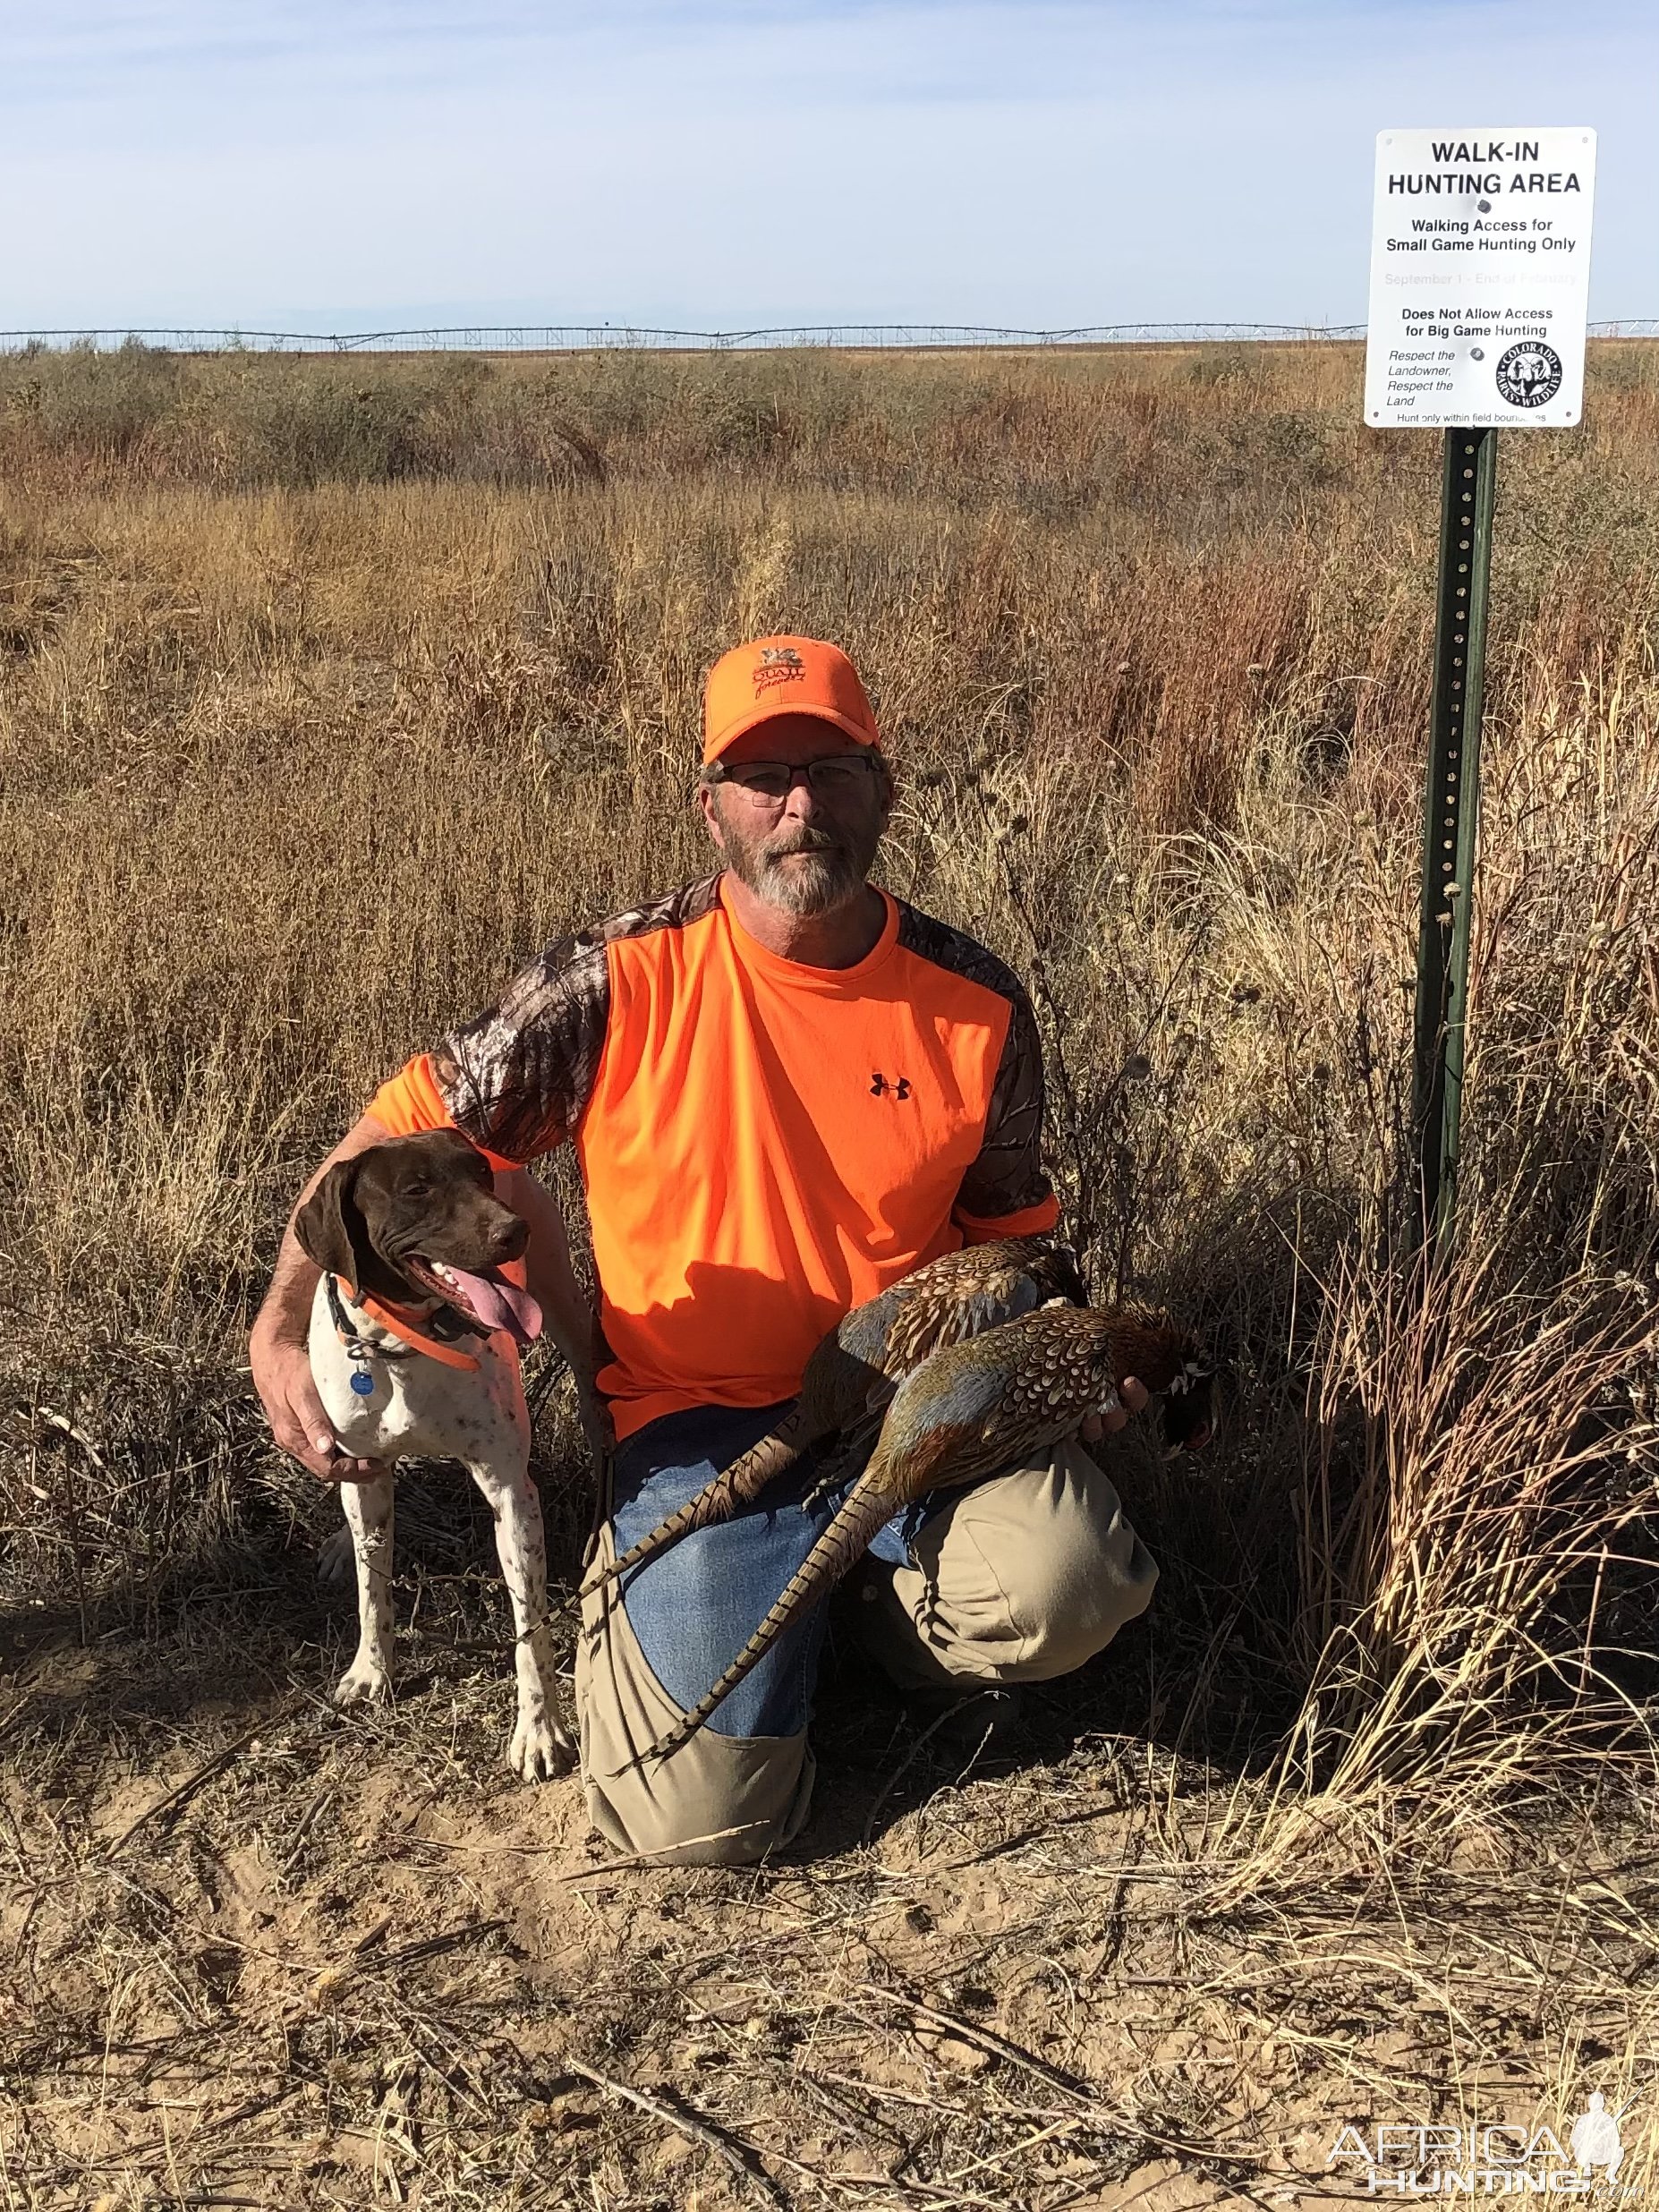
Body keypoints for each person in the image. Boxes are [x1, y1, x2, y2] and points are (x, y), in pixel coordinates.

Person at [251, 634, 1158, 1865]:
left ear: (883, 787)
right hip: (694, 1423)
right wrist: (275, 1325)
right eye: (761, 777)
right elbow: (400, 1126)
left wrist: (1068, 1369)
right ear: (710, 808)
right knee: (696, 1830)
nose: (799, 807)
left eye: (830, 770)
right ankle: (717, 1602)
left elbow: (1013, 1241)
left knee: (1072, 1586)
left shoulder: (972, 999)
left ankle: (870, 1612)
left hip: (915, 1409)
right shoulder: (616, 981)